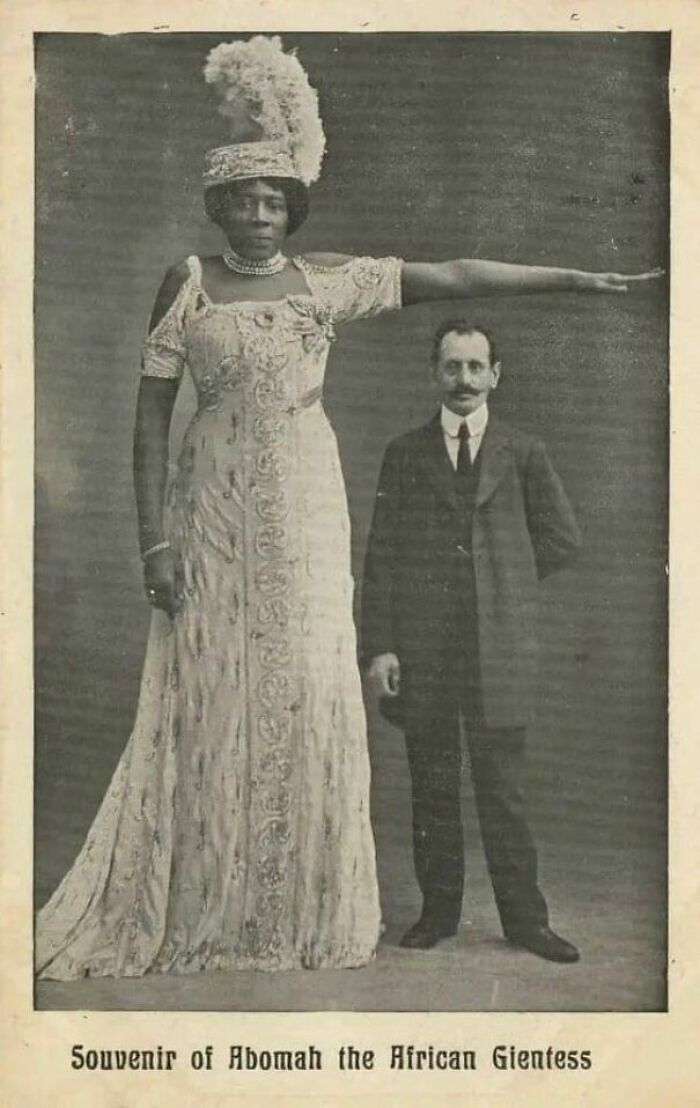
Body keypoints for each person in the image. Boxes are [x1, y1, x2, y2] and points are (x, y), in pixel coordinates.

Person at [35, 36, 659, 979]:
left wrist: (578, 281)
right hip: (209, 511)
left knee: (308, 687)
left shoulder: (327, 283)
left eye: (274, 200)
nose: (258, 215)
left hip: (308, 507)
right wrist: (153, 544)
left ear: (293, 208)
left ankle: (296, 906)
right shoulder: (189, 282)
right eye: (243, 200)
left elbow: (454, 275)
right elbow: (149, 420)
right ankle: (212, 898)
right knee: (213, 690)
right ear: (219, 206)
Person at [361, 320, 585, 961]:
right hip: (425, 649)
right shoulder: (404, 454)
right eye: (451, 367)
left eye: (475, 367)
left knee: (503, 792)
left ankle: (525, 922)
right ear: (435, 373)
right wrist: (381, 646)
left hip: (498, 649)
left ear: (495, 375)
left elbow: (564, 539)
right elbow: (381, 557)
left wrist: (504, 581)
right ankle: (437, 914)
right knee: (432, 787)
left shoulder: (524, 451)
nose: (463, 380)